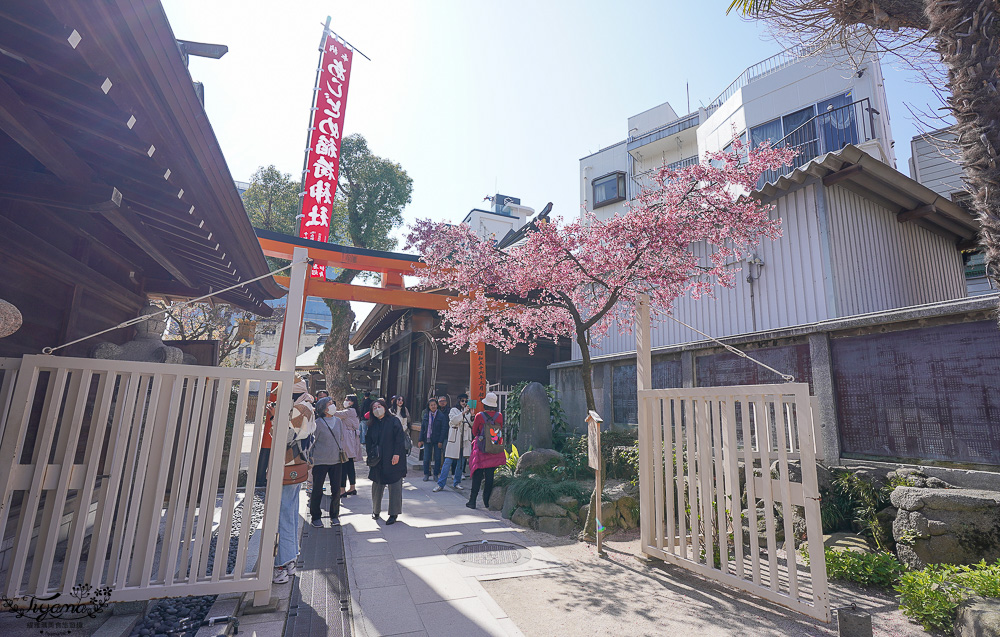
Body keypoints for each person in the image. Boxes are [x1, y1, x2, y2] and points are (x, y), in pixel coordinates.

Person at [274, 396, 316, 584]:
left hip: (288, 463)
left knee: (283, 513)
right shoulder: (307, 406)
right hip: (298, 463)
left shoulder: (300, 408)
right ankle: (290, 559)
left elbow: (289, 436)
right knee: (289, 513)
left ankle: (281, 564)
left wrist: (277, 417)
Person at [366, 398, 407, 524]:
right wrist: (370, 456)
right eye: (374, 408)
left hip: (394, 458)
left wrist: (397, 454)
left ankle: (393, 514)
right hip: (378, 460)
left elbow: (400, 439)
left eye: (379, 406)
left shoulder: (394, 421)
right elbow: (368, 442)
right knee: (377, 486)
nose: (377, 409)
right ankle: (376, 510)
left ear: (384, 407)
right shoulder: (372, 424)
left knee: (395, 486)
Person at [310, 397, 346, 528]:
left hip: (336, 460)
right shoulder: (318, 423)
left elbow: (340, 437)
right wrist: (310, 458)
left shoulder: (338, 421)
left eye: (332, 403)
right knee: (317, 489)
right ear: (324, 408)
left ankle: (334, 515)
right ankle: (315, 516)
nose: (332, 405)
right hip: (320, 461)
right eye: (330, 404)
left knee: (336, 489)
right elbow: (312, 442)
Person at [467, 392, 506, 510]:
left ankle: (472, 501)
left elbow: (474, 432)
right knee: (490, 475)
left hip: (481, 448)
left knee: (478, 474)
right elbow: (500, 427)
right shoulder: (499, 416)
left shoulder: (479, 416)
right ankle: (487, 502)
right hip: (494, 447)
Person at [434, 393, 472, 492]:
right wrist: (463, 413)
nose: (464, 403)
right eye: (462, 400)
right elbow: (454, 420)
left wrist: (471, 414)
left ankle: (457, 482)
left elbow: (472, 424)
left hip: (464, 440)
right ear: (459, 401)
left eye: (466, 401)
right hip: (454, 439)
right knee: (448, 462)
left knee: (461, 463)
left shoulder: (468, 412)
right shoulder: (453, 410)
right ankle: (440, 484)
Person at [336, 394, 363, 497]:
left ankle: (342, 489)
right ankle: (352, 487)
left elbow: (335, 414)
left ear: (353, 402)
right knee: (350, 465)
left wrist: (325, 408)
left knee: (343, 464)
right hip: (351, 440)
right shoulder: (354, 411)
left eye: (348, 400)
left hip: (347, 440)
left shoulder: (349, 411)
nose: (346, 401)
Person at [420, 397, 447, 481]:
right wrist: (420, 439)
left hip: (437, 439)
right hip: (427, 439)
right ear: (429, 406)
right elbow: (423, 428)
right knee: (426, 457)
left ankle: (436, 474)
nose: (433, 406)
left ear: (437, 405)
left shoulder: (441, 415)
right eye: (431, 405)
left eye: (434, 405)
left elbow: (443, 429)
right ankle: (426, 474)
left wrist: (440, 441)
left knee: (437, 457)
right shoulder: (426, 414)